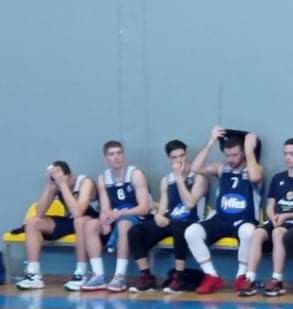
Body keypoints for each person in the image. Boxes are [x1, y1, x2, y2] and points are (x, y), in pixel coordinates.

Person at [185, 126, 264, 294]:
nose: (231, 159)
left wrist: (249, 150)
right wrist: (211, 141)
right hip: (221, 219)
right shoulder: (221, 168)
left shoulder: (255, 168)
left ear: (243, 152)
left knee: (248, 231)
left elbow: (255, 176)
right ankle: (211, 275)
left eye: (235, 155)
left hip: (244, 219)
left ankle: (241, 276)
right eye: (227, 155)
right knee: (191, 232)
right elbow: (195, 169)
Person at [127, 139, 207, 293]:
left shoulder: (199, 177)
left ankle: (180, 276)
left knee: (179, 228)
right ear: (169, 158)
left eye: (181, 156)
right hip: (172, 220)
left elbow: (190, 203)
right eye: (174, 157)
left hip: (191, 221)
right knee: (135, 231)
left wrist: (179, 178)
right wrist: (159, 216)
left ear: (186, 154)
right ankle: (146, 276)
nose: (179, 160)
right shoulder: (166, 180)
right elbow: (163, 208)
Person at [239, 139, 293, 297]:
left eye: (292, 154)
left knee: (278, 232)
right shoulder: (278, 178)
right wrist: (272, 216)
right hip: (277, 219)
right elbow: (270, 204)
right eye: (285, 154)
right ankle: (250, 278)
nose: (288, 157)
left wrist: (288, 215)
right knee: (257, 233)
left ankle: (277, 280)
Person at [16, 161, 98, 291]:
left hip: (88, 220)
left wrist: (63, 185)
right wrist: (49, 186)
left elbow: (78, 213)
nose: (57, 180)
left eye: (59, 177)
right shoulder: (55, 184)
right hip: (69, 220)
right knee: (32, 222)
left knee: (79, 221)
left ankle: (81, 273)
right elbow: (40, 212)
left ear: (69, 176)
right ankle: (33, 274)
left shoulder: (85, 182)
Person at [80, 141, 151, 291]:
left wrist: (120, 213)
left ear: (123, 155)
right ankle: (98, 275)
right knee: (90, 225)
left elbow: (144, 208)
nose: (116, 157)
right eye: (111, 154)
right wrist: (104, 219)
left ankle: (119, 276)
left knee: (123, 224)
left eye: (119, 153)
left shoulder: (135, 174)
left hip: (136, 216)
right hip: (116, 216)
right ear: (106, 158)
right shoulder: (103, 178)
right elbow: (105, 208)